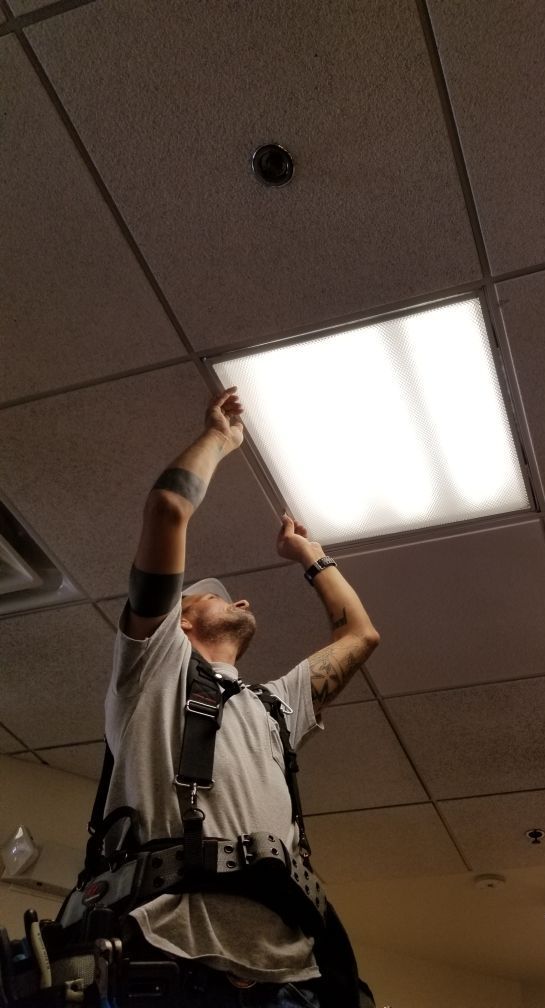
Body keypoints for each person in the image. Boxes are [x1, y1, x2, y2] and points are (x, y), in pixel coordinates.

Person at [104, 386, 380, 1006]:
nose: (243, 601)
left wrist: (310, 555)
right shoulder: (155, 670)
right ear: (180, 619)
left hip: (294, 981)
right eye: (214, 597)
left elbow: (361, 635)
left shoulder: (275, 706)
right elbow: (168, 509)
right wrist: (221, 440)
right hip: (172, 958)